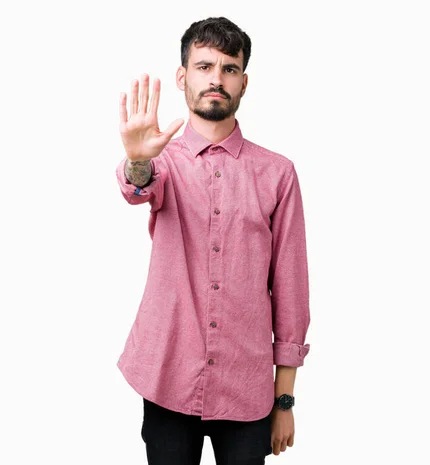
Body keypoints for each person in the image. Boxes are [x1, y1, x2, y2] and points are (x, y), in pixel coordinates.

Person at [115, 16, 311, 465]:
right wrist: (137, 161)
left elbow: (291, 291)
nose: (216, 79)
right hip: (167, 375)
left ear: (244, 81)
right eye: (204, 67)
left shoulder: (277, 174)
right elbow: (136, 187)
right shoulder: (161, 160)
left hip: (247, 386)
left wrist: (284, 402)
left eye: (228, 67)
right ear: (183, 77)